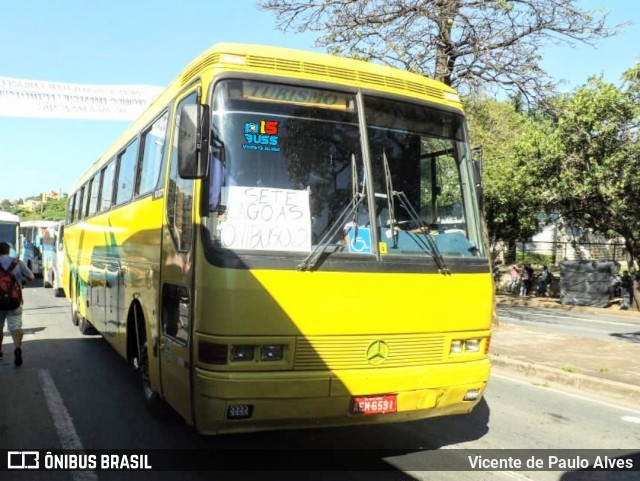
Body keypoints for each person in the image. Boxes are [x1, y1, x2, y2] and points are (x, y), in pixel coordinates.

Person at [0, 241, 34, 366]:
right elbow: (31, 277)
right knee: (15, 327)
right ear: (8, 252)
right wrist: (21, 281)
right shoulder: (17, 263)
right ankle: (17, 348)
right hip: (15, 301)